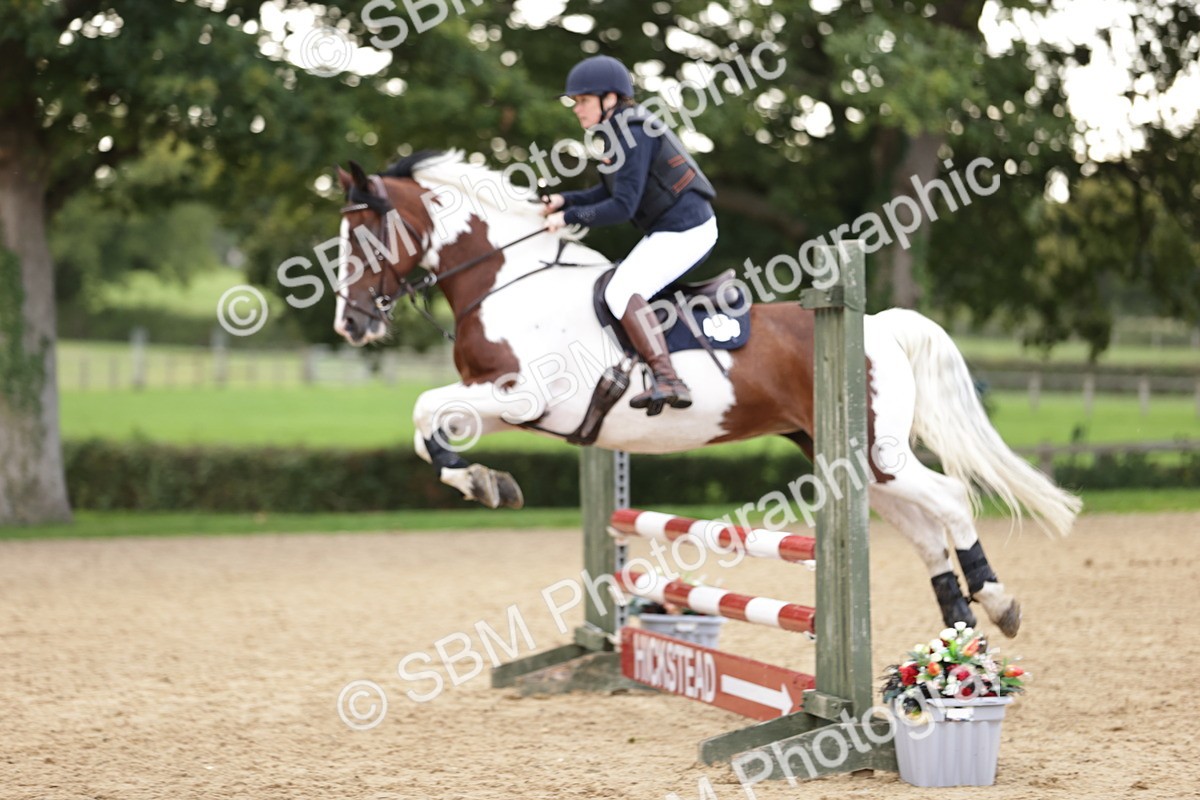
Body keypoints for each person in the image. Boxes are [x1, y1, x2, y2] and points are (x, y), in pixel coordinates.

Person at [542, 54, 717, 414]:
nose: (577, 109)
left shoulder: (634, 132)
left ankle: (668, 378)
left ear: (610, 99)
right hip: (670, 229)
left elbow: (621, 208)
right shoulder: (620, 131)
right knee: (616, 285)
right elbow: (607, 194)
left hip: (689, 228)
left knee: (622, 289)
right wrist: (564, 199)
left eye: (584, 101)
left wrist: (569, 217)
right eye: (576, 102)